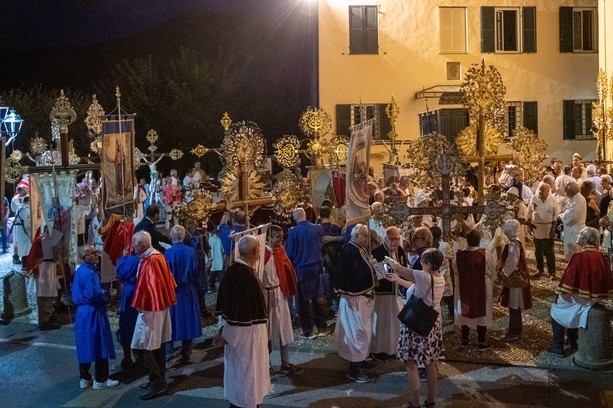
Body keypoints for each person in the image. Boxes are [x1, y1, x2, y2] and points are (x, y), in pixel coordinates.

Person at [213, 235, 271, 408]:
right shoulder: (245, 276)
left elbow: (227, 310)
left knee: (244, 380)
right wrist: (226, 335)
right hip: (246, 340)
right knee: (246, 382)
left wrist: (222, 331)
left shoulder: (233, 271)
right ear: (255, 251)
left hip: (242, 336)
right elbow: (238, 316)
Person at [385, 248, 446, 408]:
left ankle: (414, 402)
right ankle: (431, 400)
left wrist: (389, 260)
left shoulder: (424, 276)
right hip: (431, 324)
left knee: (411, 363)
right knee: (430, 362)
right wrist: (397, 280)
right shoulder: (439, 278)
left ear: (429, 264)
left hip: (415, 324)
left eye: (423, 261)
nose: (420, 263)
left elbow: (399, 268)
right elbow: (415, 286)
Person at [549, 227, 613, 356]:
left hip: (579, 299)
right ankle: (573, 342)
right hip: (592, 299)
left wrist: (560, 294)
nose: (577, 236)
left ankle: (558, 347)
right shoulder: (600, 255)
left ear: (585, 239)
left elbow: (568, 282)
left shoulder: (579, 256)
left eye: (579, 234)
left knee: (556, 310)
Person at [130, 231, 177, 400]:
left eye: (134, 245)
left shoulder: (150, 261)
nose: (132, 248)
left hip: (151, 309)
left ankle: (157, 381)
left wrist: (139, 304)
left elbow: (146, 289)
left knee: (141, 347)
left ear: (141, 245)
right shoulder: (158, 256)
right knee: (156, 345)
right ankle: (158, 378)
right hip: (159, 306)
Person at [72, 244, 120, 390]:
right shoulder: (89, 273)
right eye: (92, 253)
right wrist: (107, 295)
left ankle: (85, 377)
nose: (96, 254)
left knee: (85, 344)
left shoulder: (81, 271)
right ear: (85, 257)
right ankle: (101, 378)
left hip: (82, 313)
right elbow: (94, 295)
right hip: (93, 311)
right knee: (100, 344)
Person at [335, 223, 377, 383]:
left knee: (364, 332)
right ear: (355, 235)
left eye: (367, 236)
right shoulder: (349, 250)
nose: (367, 239)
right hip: (354, 300)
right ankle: (354, 370)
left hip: (362, 298)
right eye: (364, 235)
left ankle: (361, 360)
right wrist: (370, 267)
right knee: (357, 333)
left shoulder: (359, 249)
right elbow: (353, 275)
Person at [263, 225, 302, 376]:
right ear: (269, 238)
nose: (280, 240)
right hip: (267, 295)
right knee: (268, 331)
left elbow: (287, 270)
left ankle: (285, 362)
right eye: (277, 237)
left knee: (284, 329)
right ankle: (267, 366)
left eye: (281, 236)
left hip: (280, 292)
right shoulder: (263, 253)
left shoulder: (281, 251)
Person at [286, 207, 331, 339]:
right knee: (318, 298)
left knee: (303, 301)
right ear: (305, 215)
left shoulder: (294, 232)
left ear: (295, 218)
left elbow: (290, 253)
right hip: (317, 267)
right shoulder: (317, 228)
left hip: (302, 269)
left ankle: (308, 331)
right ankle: (322, 326)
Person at [164, 225, 202, 366]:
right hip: (188, 290)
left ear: (171, 237)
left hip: (173, 292)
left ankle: (168, 355)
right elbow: (197, 271)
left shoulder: (168, 254)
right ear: (184, 236)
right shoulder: (191, 252)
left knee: (170, 323)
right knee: (188, 321)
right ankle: (186, 353)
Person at [454, 229, 494, 350]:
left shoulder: (459, 254)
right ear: (479, 241)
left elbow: (455, 271)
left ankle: (464, 339)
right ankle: (481, 341)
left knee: (465, 312)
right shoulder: (485, 254)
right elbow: (491, 270)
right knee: (482, 313)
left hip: (463, 288)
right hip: (481, 287)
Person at [370, 226, 406, 361]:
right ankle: (379, 350)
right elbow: (379, 273)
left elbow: (404, 267)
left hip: (397, 293)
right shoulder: (377, 252)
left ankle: (394, 348)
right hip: (383, 294)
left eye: (397, 239)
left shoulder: (400, 250)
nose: (395, 242)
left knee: (396, 323)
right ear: (385, 239)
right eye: (392, 239)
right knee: (383, 324)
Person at [499, 219, 532, 342]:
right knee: (515, 305)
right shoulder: (516, 242)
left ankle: (514, 332)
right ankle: (517, 330)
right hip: (517, 277)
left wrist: (504, 273)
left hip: (515, 280)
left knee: (514, 305)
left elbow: (512, 262)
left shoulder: (513, 244)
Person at [113, 250, 139, 371]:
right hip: (142, 293)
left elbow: (121, 273)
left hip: (131, 293)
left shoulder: (132, 259)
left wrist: (123, 258)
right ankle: (141, 358)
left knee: (127, 327)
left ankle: (128, 358)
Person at [527, 182, 559, 280]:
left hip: (548, 227)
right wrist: (529, 226)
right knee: (538, 250)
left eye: (543, 190)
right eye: (540, 189)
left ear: (548, 191)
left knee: (549, 251)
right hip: (536, 227)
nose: (540, 192)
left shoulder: (553, 200)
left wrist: (553, 230)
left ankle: (552, 272)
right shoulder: (534, 198)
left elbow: (555, 217)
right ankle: (540, 269)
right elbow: (529, 213)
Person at [34, 224, 64, 330]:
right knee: (45, 295)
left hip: (49, 267)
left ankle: (49, 316)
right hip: (45, 269)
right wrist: (60, 227)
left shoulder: (44, 239)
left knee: (50, 293)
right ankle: (45, 320)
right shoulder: (44, 240)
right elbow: (58, 237)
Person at [558, 181, 586, 261]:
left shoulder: (578, 200)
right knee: (570, 255)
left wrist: (560, 216)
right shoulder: (573, 199)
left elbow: (571, 217)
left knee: (575, 255)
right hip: (571, 229)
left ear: (572, 190)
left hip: (575, 230)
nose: (565, 191)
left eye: (566, 189)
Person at [13, 195, 31, 267]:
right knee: (26, 248)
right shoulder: (26, 210)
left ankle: (25, 265)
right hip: (24, 230)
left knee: (23, 248)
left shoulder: (19, 208)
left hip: (20, 230)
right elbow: (27, 222)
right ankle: (26, 265)